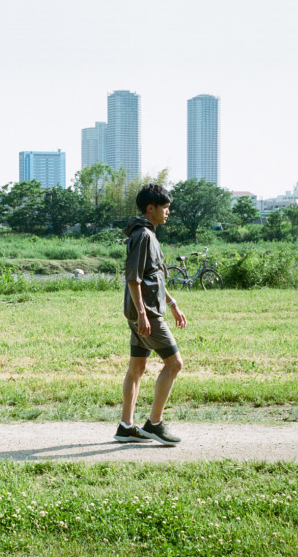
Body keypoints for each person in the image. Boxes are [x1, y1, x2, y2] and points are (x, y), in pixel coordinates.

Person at [114, 183, 186, 445]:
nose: (168, 212)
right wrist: (144, 314)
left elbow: (152, 277)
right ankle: (154, 424)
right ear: (150, 208)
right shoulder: (143, 236)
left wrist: (172, 302)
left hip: (143, 311)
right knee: (174, 363)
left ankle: (125, 426)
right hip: (147, 314)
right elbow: (133, 278)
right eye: (165, 208)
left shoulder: (147, 234)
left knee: (137, 367)